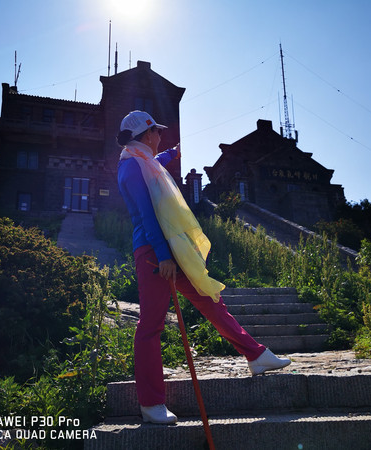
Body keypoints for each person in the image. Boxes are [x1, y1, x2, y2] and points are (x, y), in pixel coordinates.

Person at [116, 110, 291, 424]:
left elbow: (160, 161)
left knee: (210, 299)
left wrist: (174, 153)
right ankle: (151, 403)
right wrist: (163, 256)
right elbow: (147, 214)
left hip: (172, 246)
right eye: (157, 131)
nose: (161, 136)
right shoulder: (131, 167)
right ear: (146, 134)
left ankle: (256, 355)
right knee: (151, 325)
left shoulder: (145, 160)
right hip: (154, 252)